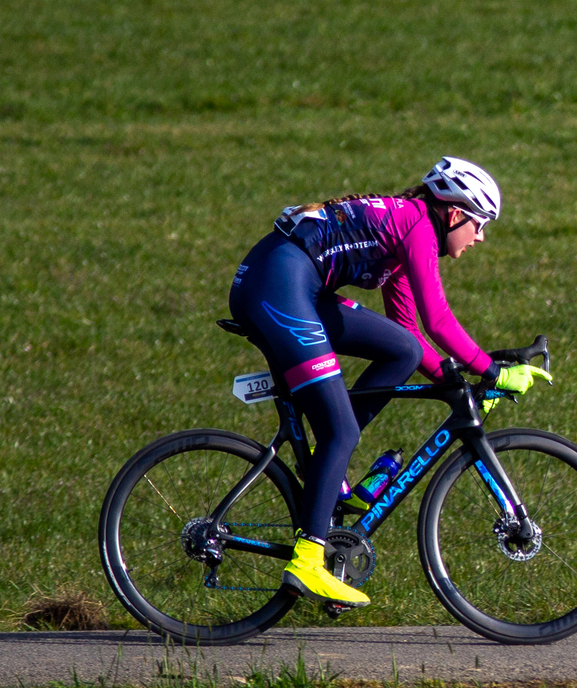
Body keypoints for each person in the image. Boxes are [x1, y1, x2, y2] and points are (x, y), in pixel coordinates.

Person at [228, 156, 545, 607]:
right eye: (478, 223)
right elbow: (437, 319)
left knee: (400, 351)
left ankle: (326, 461)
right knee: (341, 430)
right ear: (454, 213)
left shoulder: (406, 232)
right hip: (276, 289)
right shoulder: (415, 225)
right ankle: (306, 563)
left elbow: (410, 334)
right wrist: (491, 371)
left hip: (292, 284)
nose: (480, 236)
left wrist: (456, 382)